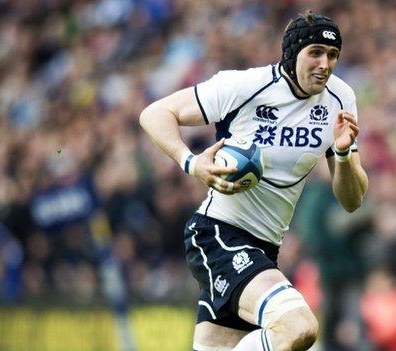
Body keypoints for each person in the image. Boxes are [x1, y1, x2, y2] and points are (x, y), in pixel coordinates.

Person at [140, 11, 368, 351]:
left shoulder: (340, 99)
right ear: (292, 54)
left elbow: (351, 201)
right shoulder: (246, 86)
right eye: (316, 52)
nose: (325, 63)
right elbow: (155, 114)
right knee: (298, 327)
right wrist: (191, 162)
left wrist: (345, 155)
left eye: (333, 55)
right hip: (217, 233)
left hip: (265, 250)